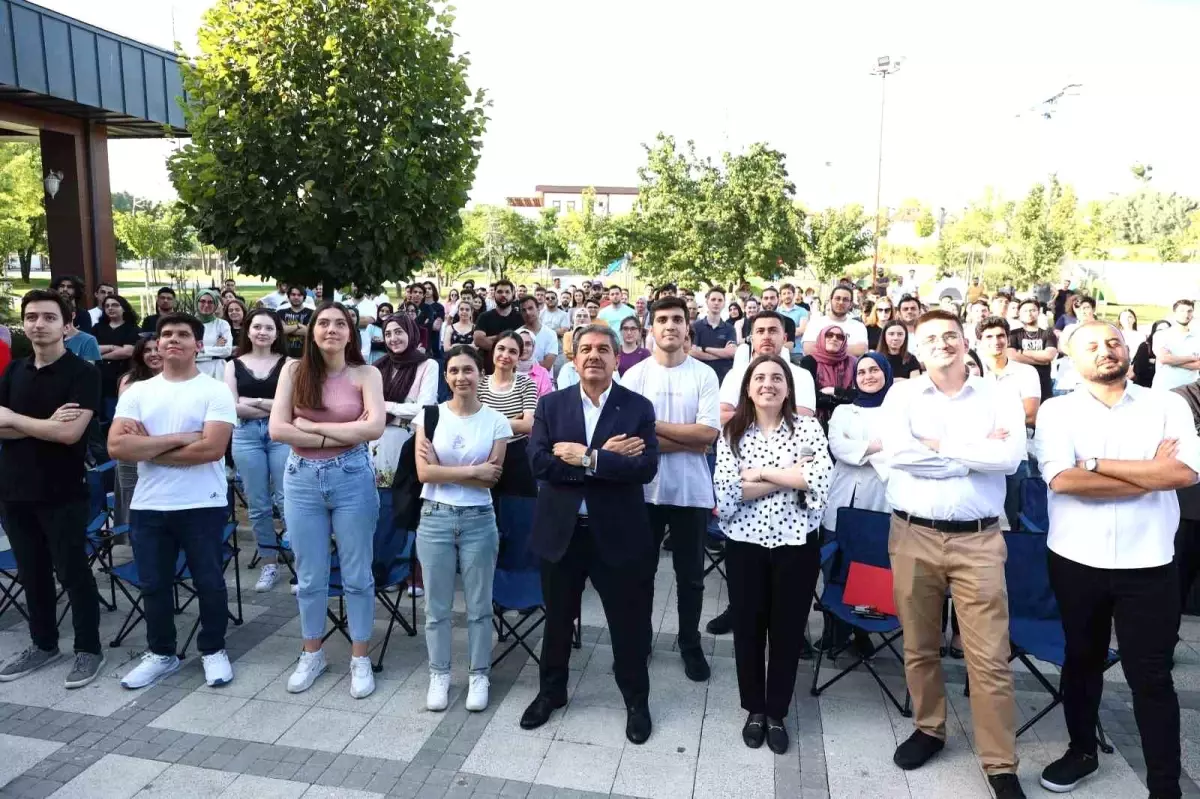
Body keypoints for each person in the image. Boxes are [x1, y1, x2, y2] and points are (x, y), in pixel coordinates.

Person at [1034, 321, 1200, 798]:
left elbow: (1185, 473)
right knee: (1081, 660)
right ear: (1072, 360)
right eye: (1092, 346)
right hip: (1075, 559)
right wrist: (1150, 473)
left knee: (1150, 675)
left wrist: (1094, 464)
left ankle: (1164, 785)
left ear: (1128, 349)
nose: (1105, 351)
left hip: (1149, 562)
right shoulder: (1057, 410)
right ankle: (1081, 750)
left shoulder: (1166, 404)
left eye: (1112, 342)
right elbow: (1061, 481)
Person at [880, 309, 1027, 799]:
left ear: (966, 342)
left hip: (979, 540)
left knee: (989, 658)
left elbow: (1006, 459)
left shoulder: (999, 396)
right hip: (912, 535)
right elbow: (898, 454)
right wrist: (969, 455)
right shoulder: (901, 394)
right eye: (931, 339)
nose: (942, 343)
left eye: (951, 335)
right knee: (919, 644)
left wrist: (938, 446)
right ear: (917, 349)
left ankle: (1000, 763)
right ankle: (929, 728)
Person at [520, 323, 659, 744]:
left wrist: (588, 457)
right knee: (558, 620)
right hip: (562, 531)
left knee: (628, 623)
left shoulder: (637, 407)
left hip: (617, 532)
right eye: (585, 349)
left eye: (603, 349)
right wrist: (602, 461)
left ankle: (636, 700)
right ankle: (551, 692)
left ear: (618, 358)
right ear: (574, 358)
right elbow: (539, 463)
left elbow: (645, 468)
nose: (594, 355)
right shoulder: (552, 405)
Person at [108, 313, 237, 690]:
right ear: (157, 344)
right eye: (166, 335)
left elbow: (211, 450)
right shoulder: (137, 393)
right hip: (150, 504)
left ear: (199, 345)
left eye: (183, 334)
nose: (173, 340)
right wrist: (182, 437)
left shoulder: (214, 391)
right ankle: (161, 653)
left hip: (202, 503)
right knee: (154, 583)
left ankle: (213, 649)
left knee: (209, 581)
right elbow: (118, 447)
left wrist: (147, 446)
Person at [713, 354, 832, 755]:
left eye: (776, 377)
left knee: (787, 631)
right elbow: (728, 493)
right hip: (745, 546)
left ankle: (777, 711)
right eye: (759, 377)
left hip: (796, 547)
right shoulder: (731, 433)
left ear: (788, 387)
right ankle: (754, 709)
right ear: (748, 387)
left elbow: (818, 480)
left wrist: (759, 473)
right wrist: (787, 474)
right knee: (748, 629)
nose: (768, 383)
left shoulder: (809, 428)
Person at [269, 302, 386, 699]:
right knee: (309, 574)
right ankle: (312, 652)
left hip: (352, 476)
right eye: (323, 323)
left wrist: (313, 426)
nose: (331, 329)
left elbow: (374, 428)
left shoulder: (366, 373)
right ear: (311, 331)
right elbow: (278, 428)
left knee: (357, 573)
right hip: (301, 479)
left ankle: (359, 658)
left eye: (340, 323)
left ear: (351, 333)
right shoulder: (293, 370)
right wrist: (336, 433)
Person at [0, 290, 105, 689]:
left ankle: (88, 649)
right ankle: (43, 645)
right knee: (32, 573)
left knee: (73, 571)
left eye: (47, 317)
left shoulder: (84, 373)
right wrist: (44, 423)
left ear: (67, 323)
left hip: (62, 490)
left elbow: (69, 434)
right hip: (13, 490)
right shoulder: (14, 371)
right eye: (31, 317)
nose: (38, 325)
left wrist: (15, 419)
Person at [622, 297, 721, 682]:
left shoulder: (703, 376)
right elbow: (630, 441)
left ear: (687, 328)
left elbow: (709, 433)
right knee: (640, 573)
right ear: (651, 328)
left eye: (677, 319)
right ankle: (640, 640)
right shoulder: (635, 377)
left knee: (691, 576)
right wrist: (690, 439)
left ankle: (689, 643)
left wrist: (652, 427)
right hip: (644, 493)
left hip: (690, 492)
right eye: (662, 319)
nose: (670, 326)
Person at [411, 345, 509, 713]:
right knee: (436, 605)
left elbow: (491, 480)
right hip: (435, 517)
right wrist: (471, 471)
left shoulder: (495, 421)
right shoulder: (430, 416)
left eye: (467, 370)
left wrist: (446, 471)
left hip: (479, 520)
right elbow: (425, 474)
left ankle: (478, 672)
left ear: (480, 374)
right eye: (453, 371)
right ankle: (439, 673)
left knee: (479, 605)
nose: (460, 378)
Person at [819, 352, 893, 653]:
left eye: (874, 370)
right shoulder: (843, 412)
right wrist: (876, 446)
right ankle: (833, 630)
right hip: (841, 498)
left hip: (880, 500)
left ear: (885, 373)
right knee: (834, 566)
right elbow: (838, 447)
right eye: (861, 372)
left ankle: (863, 630)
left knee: (870, 568)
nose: (868, 376)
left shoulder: (898, 411)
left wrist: (860, 449)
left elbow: (898, 451)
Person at [371, 313, 437, 599]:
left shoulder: (427, 365)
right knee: (384, 510)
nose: (394, 339)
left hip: (410, 442)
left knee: (410, 508)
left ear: (411, 333)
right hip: (378, 445)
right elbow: (366, 407)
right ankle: (384, 568)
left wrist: (386, 407)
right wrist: (402, 406)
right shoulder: (377, 367)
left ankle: (413, 572)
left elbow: (425, 407)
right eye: (388, 334)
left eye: (399, 332)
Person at [225, 308, 291, 592]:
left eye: (269, 328)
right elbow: (231, 406)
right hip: (245, 436)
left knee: (288, 498)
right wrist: (271, 403)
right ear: (248, 330)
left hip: (281, 434)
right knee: (258, 504)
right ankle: (269, 563)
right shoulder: (233, 364)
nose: (262, 332)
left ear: (277, 333)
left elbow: (292, 405)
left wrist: (254, 401)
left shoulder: (290, 364)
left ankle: (301, 564)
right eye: (257, 327)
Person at [976, 316, 1041, 532]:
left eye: (1001, 336)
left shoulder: (1026, 372)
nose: (996, 341)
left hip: (1015, 454)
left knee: (1016, 518)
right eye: (989, 337)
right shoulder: (972, 373)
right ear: (980, 341)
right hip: (978, 452)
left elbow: (1031, 414)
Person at [114, 336, 163, 526]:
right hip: (133, 450)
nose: (153, 354)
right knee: (134, 501)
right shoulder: (130, 380)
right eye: (147, 350)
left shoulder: (176, 379)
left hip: (164, 449)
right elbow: (129, 422)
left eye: (156, 349)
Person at [479, 331, 538, 438]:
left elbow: (529, 425)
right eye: (501, 349)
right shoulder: (479, 384)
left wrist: (489, 425)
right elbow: (472, 423)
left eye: (513, 352)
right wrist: (510, 423)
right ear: (493, 351)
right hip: (484, 448)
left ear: (519, 357)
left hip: (517, 449)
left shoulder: (527, 385)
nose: (505, 355)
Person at [798, 325, 857, 428]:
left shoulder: (853, 362)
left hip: (848, 418)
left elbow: (858, 394)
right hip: (816, 421)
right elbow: (810, 396)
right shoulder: (809, 361)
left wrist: (834, 391)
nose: (834, 339)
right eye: (829, 335)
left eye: (839, 337)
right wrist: (842, 398)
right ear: (821, 338)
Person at [94, 294, 141, 419]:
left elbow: (127, 352)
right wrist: (112, 347)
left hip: (120, 378)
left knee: (114, 415)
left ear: (124, 308)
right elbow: (91, 349)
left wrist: (101, 356)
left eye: (115, 305)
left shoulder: (132, 329)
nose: (110, 308)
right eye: (107, 306)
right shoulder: (97, 328)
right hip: (98, 377)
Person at [1007, 299, 1058, 401]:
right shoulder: (1013, 334)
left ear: (1038, 312)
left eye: (1032, 310)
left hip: (1043, 383)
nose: (1029, 314)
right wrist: (1041, 361)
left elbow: (1049, 356)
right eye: (1025, 311)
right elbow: (1012, 355)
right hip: (1019, 383)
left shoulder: (1048, 333)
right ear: (1019, 313)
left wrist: (1022, 352)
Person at [802, 285, 869, 357]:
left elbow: (861, 350)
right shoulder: (815, 323)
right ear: (830, 300)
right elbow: (808, 349)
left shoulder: (859, 326)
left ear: (851, 304)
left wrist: (825, 348)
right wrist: (847, 349)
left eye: (845, 299)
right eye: (837, 298)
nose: (841, 302)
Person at [472, 279, 522, 373]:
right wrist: (509, 344)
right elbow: (478, 340)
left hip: (513, 370)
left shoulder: (520, 318)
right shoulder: (484, 317)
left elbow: (522, 343)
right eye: (499, 292)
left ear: (513, 294)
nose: (503, 295)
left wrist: (492, 339)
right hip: (487, 370)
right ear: (494, 294)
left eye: (507, 292)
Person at [691, 287, 738, 383]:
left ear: (724, 303)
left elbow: (731, 352)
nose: (716, 303)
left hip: (723, 378)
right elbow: (693, 352)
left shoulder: (730, 328)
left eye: (720, 300)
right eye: (713, 299)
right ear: (707, 302)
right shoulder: (695, 327)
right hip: (699, 377)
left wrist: (704, 349)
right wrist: (722, 354)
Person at [1153, 300, 1200, 390]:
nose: (1186, 314)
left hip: (1189, 391)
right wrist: (1192, 358)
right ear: (1174, 313)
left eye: (1189, 311)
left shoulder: (1197, 337)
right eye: (1182, 310)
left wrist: (1173, 362)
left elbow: (1198, 365)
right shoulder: (1161, 335)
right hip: (1164, 389)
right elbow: (1164, 358)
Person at [193, 289, 233, 379]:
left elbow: (227, 351)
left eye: (210, 302)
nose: (206, 305)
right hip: (194, 370)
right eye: (202, 301)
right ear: (197, 303)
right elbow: (187, 352)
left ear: (215, 305)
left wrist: (199, 350)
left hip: (217, 371)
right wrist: (215, 348)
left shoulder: (222, 324)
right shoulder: (189, 324)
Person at [517, 295, 558, 370]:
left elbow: (547, 365)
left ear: (538, 309)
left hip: (543, 380)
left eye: (530, 308)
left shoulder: (551, 334)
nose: (528, 312)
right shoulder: (517, 334)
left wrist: (523, 365)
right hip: (520, 380)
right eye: (523, 310)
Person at [1133, 320, 1173, 388]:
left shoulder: (1175, 347)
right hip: (1147, 388)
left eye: (1167, 329)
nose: (1163, 332)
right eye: (1160, 330)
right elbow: (1139, 370)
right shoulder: (1145, 346)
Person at [516, 328, 554, 397]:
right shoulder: (507, 370)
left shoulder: (542, 373)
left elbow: (546, 401)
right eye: (520, 343)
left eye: (528, 344)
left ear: (533, 348)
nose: (523, 348)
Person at [279, 286, 314, 359]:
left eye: (299, 295)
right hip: (285, 356)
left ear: (304, 297)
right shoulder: (280, 313)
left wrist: (288, 328)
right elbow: (282, 330)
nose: (296, 297)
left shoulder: (312, 313)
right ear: (288, 296)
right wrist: (298, 325)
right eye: (293, 294)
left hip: (306, 356)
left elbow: (308, 332)